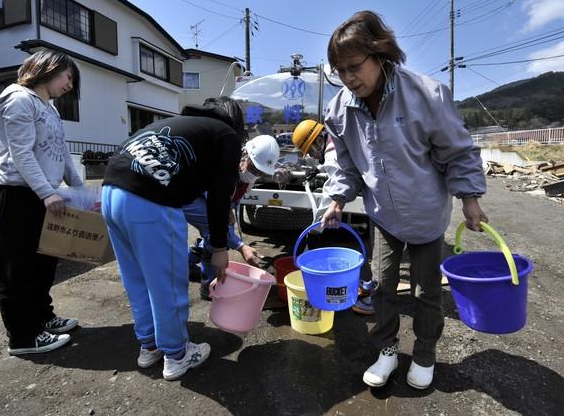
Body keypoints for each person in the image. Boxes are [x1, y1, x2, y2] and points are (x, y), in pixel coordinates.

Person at [321, 11, 488, 390]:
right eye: (339, 70)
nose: (347, 78)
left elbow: (458, 152)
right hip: (383, 214)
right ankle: (387, 351)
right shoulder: (340, 109)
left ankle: (425, 354)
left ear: (380, 54)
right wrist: (337, 198)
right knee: (380, 286)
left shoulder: (425, 95)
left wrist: (470, 198)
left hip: (427, 215)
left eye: (354, 67)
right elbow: (345, 164)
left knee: (427, 291)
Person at [101, 96, 244, 380]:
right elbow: (219, 198)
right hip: (149, 199)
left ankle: (150, 344)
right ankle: (178, 354)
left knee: (137, 278)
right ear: (236, 122)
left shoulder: (182, 124)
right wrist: (219, 246)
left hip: (110, 191)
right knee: (167, 282)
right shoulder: (226, 136)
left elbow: (195, 194)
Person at [0, 49, 82, 356]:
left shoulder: (49, 108)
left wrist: (79, 190)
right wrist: (47, 192)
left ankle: (43, 319)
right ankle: (23, 337)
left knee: (44, 263)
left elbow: (62, 153)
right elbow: (20, 154)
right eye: (68, 77)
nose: (70, 85)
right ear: (48, 69)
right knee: (17, 269)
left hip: (42, 196)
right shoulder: (18, 99)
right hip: (15, 195)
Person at [292, 119, 374, 315]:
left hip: (385, 196)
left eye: (311, 151)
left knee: (382, 249)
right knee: (378, 245)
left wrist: (315, 229)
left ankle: (375, 298)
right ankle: (371, 287)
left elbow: (331, 194)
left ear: (318, 141)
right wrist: (319, 169)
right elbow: (338, 165)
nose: (312, 155)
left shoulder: (330, 151)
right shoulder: (335, 137)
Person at [184, 134, 280, 300]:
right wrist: (241, 246)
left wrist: (230, 208)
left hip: (213, 200)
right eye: (253, 168)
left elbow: (233, 198)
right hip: (189, 197)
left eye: (260, 172)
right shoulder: (225, 168)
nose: (255, 173)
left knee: (220, 235)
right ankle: (208, 285)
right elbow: (216, 211)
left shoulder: (246, 179)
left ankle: (185, 262)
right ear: (245, 155)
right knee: (216, 234)